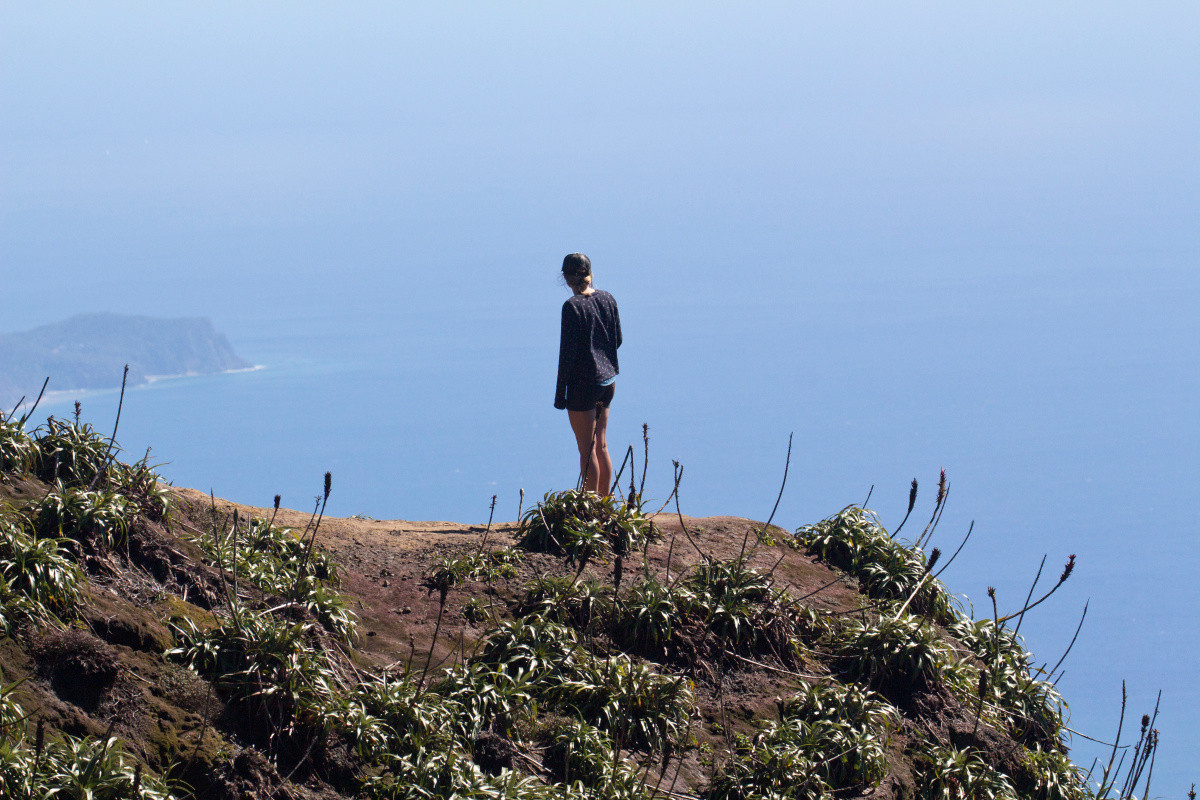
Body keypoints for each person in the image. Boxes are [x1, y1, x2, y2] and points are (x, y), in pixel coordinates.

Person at [554, 253, 622, 496]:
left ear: (565, 278)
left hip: (583, 385)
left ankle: (590, 510)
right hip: (608, 379)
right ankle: (605, 505)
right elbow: (618, 340)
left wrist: (560, 395)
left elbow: (567, 356)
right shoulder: (607, 298)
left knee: (587, 449)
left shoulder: (572, 307)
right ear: (590, 273)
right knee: (601, 445)